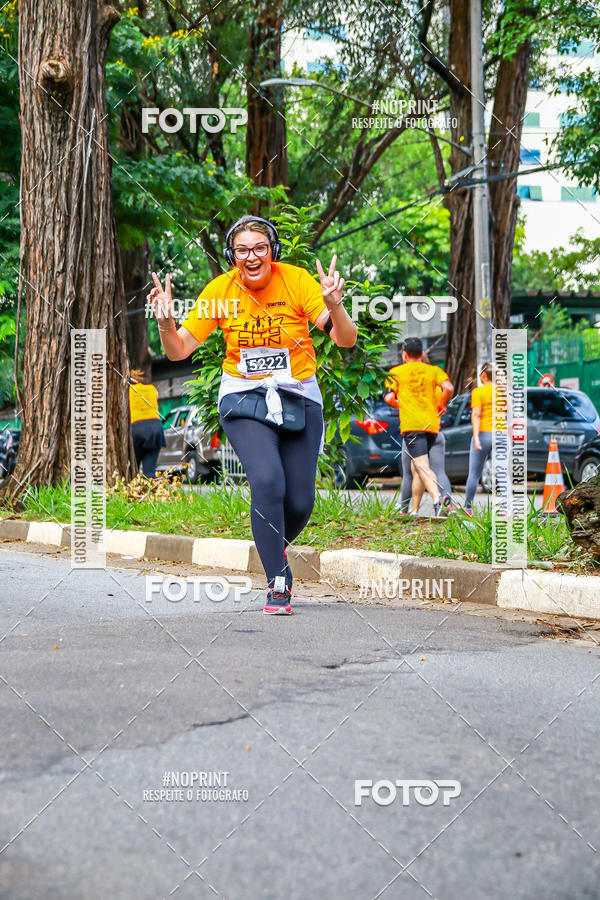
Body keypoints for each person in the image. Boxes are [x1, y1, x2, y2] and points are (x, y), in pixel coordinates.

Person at [147, 215, 357, 614]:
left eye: (259, 247)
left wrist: (336, 306)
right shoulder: (220, 291)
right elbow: (178, 351)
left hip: (299, 395)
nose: (252, 256)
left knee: (300, 502)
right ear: (232, 255)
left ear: (271, 250)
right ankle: (278, 578)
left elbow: (344, 339)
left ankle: (268, 546)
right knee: (267, 480)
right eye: (242, 250)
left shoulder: (295, 281)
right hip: (243, 396)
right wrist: (165, 323)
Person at [384, 337, 453, 517]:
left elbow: (389, 398)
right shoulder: (433, 371)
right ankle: (414, 510)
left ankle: (439, 498)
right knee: (417, 468)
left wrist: (400, 404)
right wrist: (442, 404)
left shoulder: (396, 372)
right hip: (432, 427)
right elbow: (449, 388)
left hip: (413, 426)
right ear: (422, 354)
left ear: (404, 354)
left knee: (421, 466)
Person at [465, 362, 497, 515]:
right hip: (500, 434)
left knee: (474, 473)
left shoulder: (478, 392)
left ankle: (468, 507)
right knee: (503, 473)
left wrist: (476, 437)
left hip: (484, 433)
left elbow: (476, 415)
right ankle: (505, 509)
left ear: (484, 375)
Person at [129, 369, 166, 478]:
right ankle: (150, 490)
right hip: (155, 427)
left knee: (133, 467)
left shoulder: (128, 391)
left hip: (137, 428)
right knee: (149, 471)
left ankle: (133, 488)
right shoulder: (152, 389)